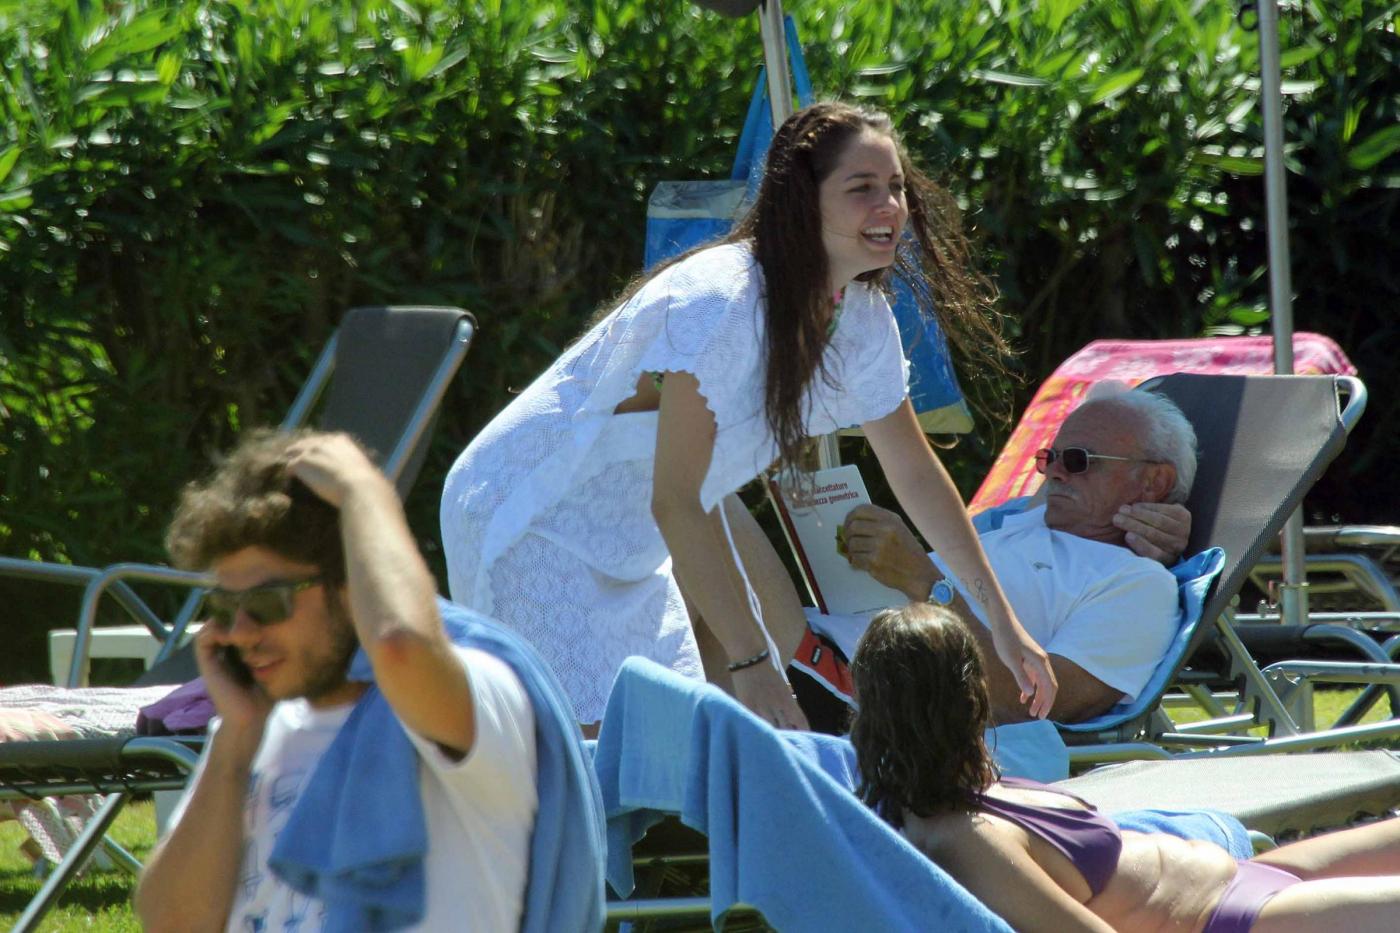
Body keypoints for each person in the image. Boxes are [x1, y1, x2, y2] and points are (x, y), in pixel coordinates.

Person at [440, 100, 1056, 732]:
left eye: (896, 186)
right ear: (803, 201)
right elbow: (679, 502)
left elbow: (916, 475)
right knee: (588, 755)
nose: (890, 206)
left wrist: (1002, 624)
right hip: (531, 513)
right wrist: (752, 660)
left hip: (629, 538)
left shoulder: (861, 320)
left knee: (659, 754)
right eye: (862, 188)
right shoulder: (723, 303)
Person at [136, 430, 540, 932]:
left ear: (351, 586)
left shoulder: (474, 692)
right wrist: (235, 740)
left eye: (266, 603)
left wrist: (363, 492)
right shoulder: (254, 727)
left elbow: (399, 644)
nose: (239, 632)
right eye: (225, 605)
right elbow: (171, 923)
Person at [849, 602, 1400, 933]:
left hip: (1247, 875)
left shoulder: (968, 789)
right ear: (970, 693)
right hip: (1231, 918)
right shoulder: (965, 837)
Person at [810, 389, 1196, 724]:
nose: (1055, 473)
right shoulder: (1016, 521)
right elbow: (1104, 394)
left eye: (1078, 460)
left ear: (1153, 481)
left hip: (870, 688)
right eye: (1049, 457)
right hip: (822, 644)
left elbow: (1033, 706)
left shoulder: (1140, 586)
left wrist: (926, 583)